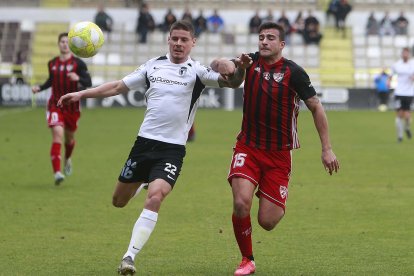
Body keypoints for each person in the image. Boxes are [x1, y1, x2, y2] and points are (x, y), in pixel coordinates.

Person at [57, 20, 246, 275]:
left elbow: (233, 82)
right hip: (143, 145)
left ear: (193, 43)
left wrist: (240, 69)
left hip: (172, 150)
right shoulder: (152, 66)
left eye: (184, 40)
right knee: (118, 201)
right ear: (168, 40)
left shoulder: (197, 72)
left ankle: (129, 256)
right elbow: (116, 87)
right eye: (175, 39)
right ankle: (142, 182)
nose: (179, 44)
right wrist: (81, 94)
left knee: (156, 196)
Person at [211, 22, 340, 276]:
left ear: (282, 44)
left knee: (267, 221)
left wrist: (327, 149)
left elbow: (316, 107)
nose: (264, 41)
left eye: (270, 37)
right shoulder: (250, 62)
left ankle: (272, 194)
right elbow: (230, 76)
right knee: (241, 203)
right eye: (261, 37)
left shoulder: (294, 72)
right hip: (248, 147)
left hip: (279, 155)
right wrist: (230, 66)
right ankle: (247, 259)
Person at [32, 33, 92, 185]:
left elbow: (88, 82)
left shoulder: (78, 63)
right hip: (55, 104)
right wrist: (40, 87)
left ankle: (67, 159)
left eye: (67, 42)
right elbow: (50, 81)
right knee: (57, 134)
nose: (64, 44)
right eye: (62, 42)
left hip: (72, 107)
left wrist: (78, 78)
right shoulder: (52, 63)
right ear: (58, 44)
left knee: (69, 139)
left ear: (70, 45)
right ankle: (57, 172)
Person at [391, 47, 414, 142]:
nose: (405, 55)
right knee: (399, 114)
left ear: (409, 55)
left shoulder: (412, 64)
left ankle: (407, 128)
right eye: (404, 53)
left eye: (407, 53)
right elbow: (391, 76)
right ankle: (400, 137)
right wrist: (389, 82)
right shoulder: (396, 65)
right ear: (401, 54)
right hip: (399, 92)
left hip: (409, 93)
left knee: (408, 116)